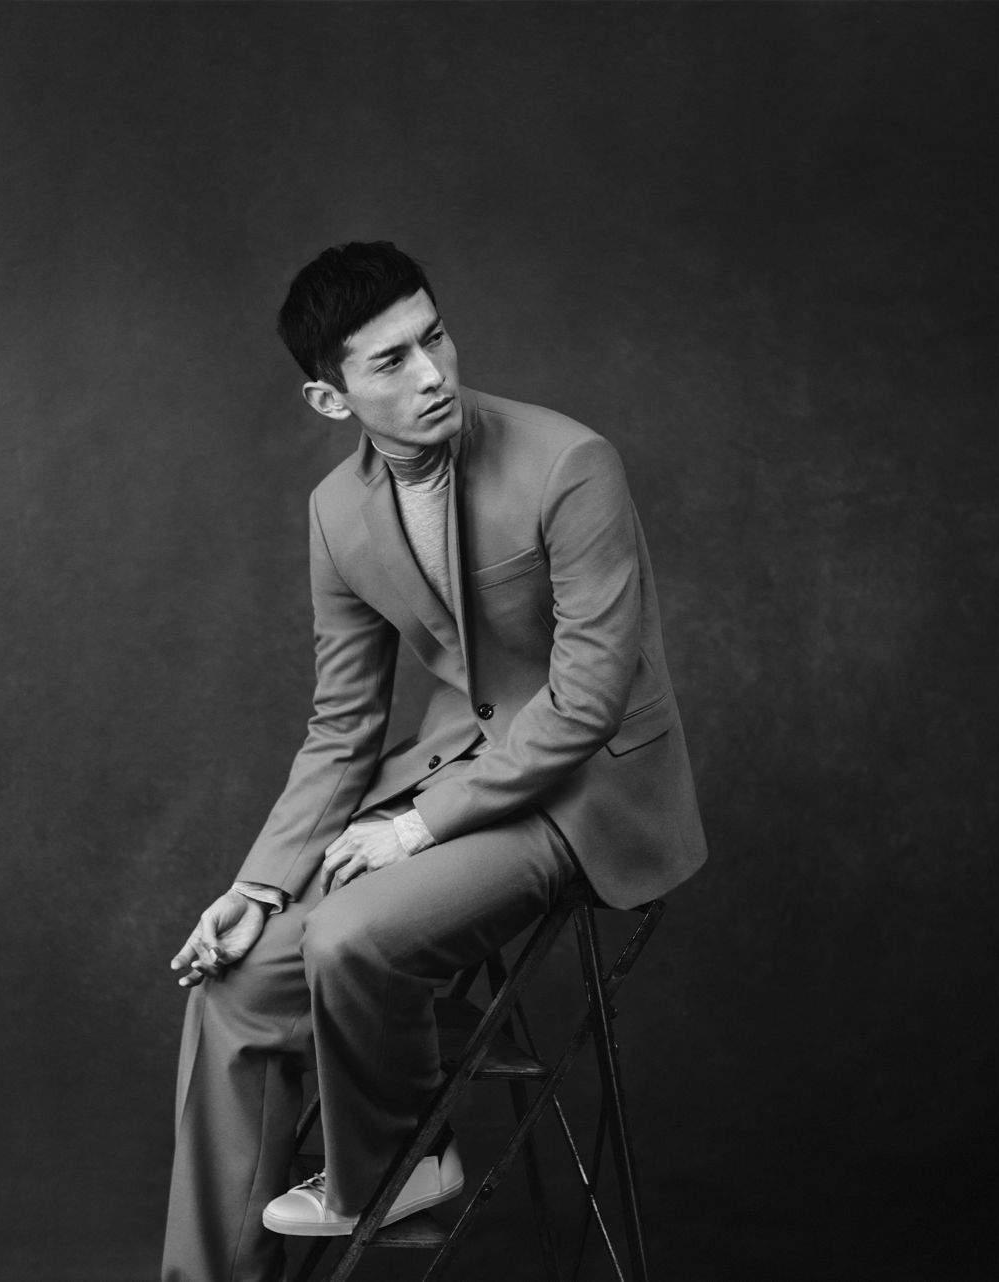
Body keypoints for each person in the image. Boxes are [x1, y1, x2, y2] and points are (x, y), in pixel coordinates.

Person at [161, 241, 707, 1282]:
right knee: (234, 988)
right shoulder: (337, 513)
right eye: (392, 361)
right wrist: (257, 884)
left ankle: (399, 1165)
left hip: (585, 790)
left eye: (436, 337)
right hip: (459, 766)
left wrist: (415, 826)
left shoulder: (569, 462)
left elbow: (588, 699)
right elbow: (342, 727)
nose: (432, 374)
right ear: (330, 398)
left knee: (350, 935)